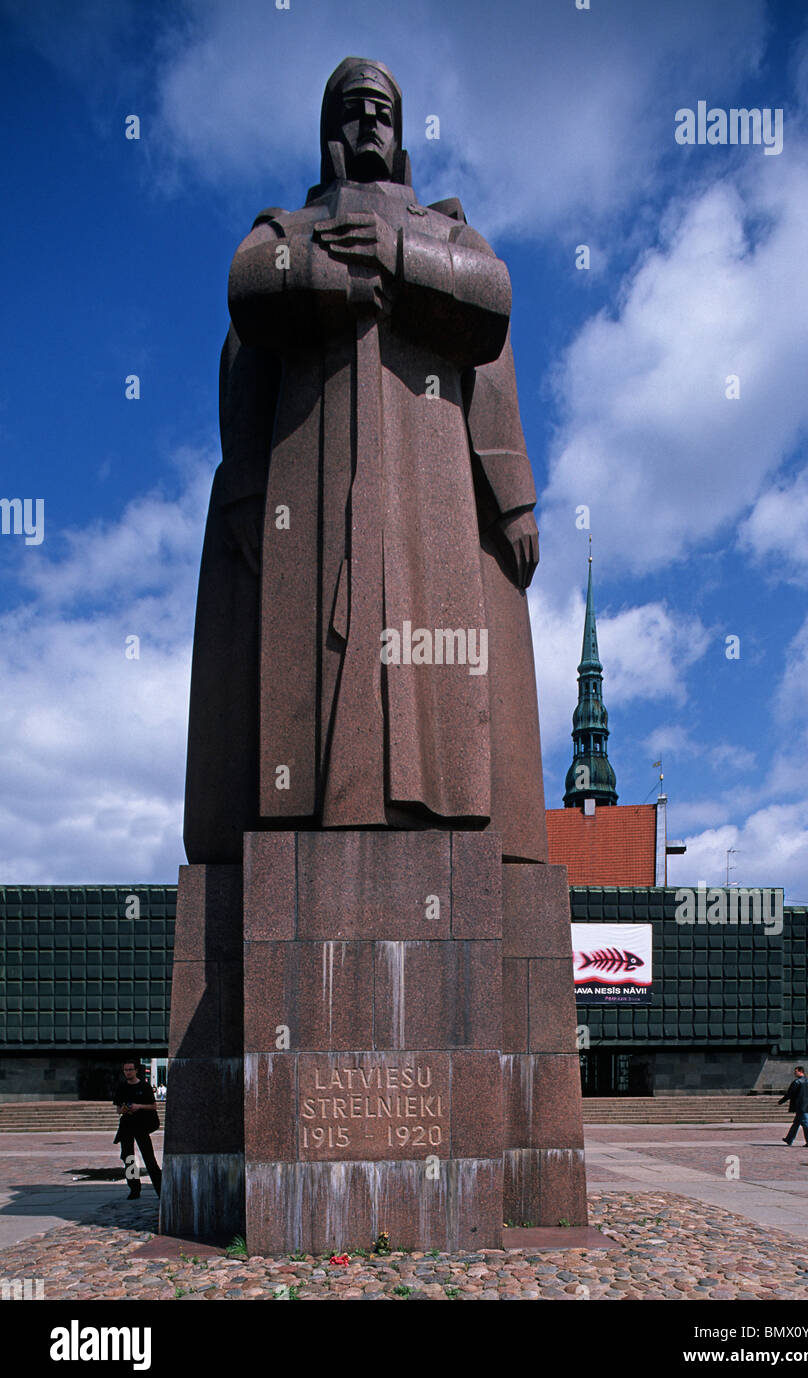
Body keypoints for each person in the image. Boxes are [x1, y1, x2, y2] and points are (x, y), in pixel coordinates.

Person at [182, 56, 549, 868]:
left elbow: (491, 320)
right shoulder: (289, 227)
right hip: (306, 486)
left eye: (382, 110)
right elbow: (246, 309)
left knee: (435, 664)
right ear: (327, 133)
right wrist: (332, 282)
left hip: (432, 489)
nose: (367, 124)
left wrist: (512, 496)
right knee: (311, 676)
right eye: (350, 110)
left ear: (405, 132)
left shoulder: (446, 233)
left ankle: (440, 819)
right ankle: (312, 823)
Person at [112, 1058, 162, 1199]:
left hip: (141, 1126)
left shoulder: (144, 1087)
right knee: (129, 1160)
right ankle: (134, 1189)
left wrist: (138, 1106)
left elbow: (153, 1106)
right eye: (125, 1070)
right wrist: (125, 1109)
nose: (128, 1072)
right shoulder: (122, 1087)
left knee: (149, 1159)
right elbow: (118, 1110)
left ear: (136, 1071)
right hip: (126, 1127)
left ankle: (160, 1189)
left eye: (130, 1070)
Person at [778, 1065, 808, 1146]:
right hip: (806, 1106)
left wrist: (780, 1102)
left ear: (800, 1072)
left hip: (799, 1106)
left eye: (796, 1071)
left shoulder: (796, 1082)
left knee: (806, 1124)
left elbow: (789, 1094)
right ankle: (789, 1139)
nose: (794, 1073)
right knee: (796, 1123)